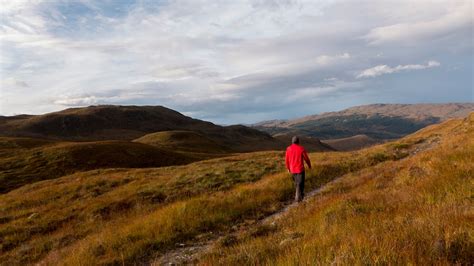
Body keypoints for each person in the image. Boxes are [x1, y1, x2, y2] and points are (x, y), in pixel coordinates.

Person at [285, 136, 311, 202]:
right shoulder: (301, 148)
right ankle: (299, 198)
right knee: (300, 184)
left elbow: (286, 160)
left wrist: (288, 168)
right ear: (298, 141)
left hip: (292, 170)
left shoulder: (288, 148)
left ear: (292, 141)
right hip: (300, 169)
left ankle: (299, 197)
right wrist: (309, 166)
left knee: (297, 183)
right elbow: (306, 159)